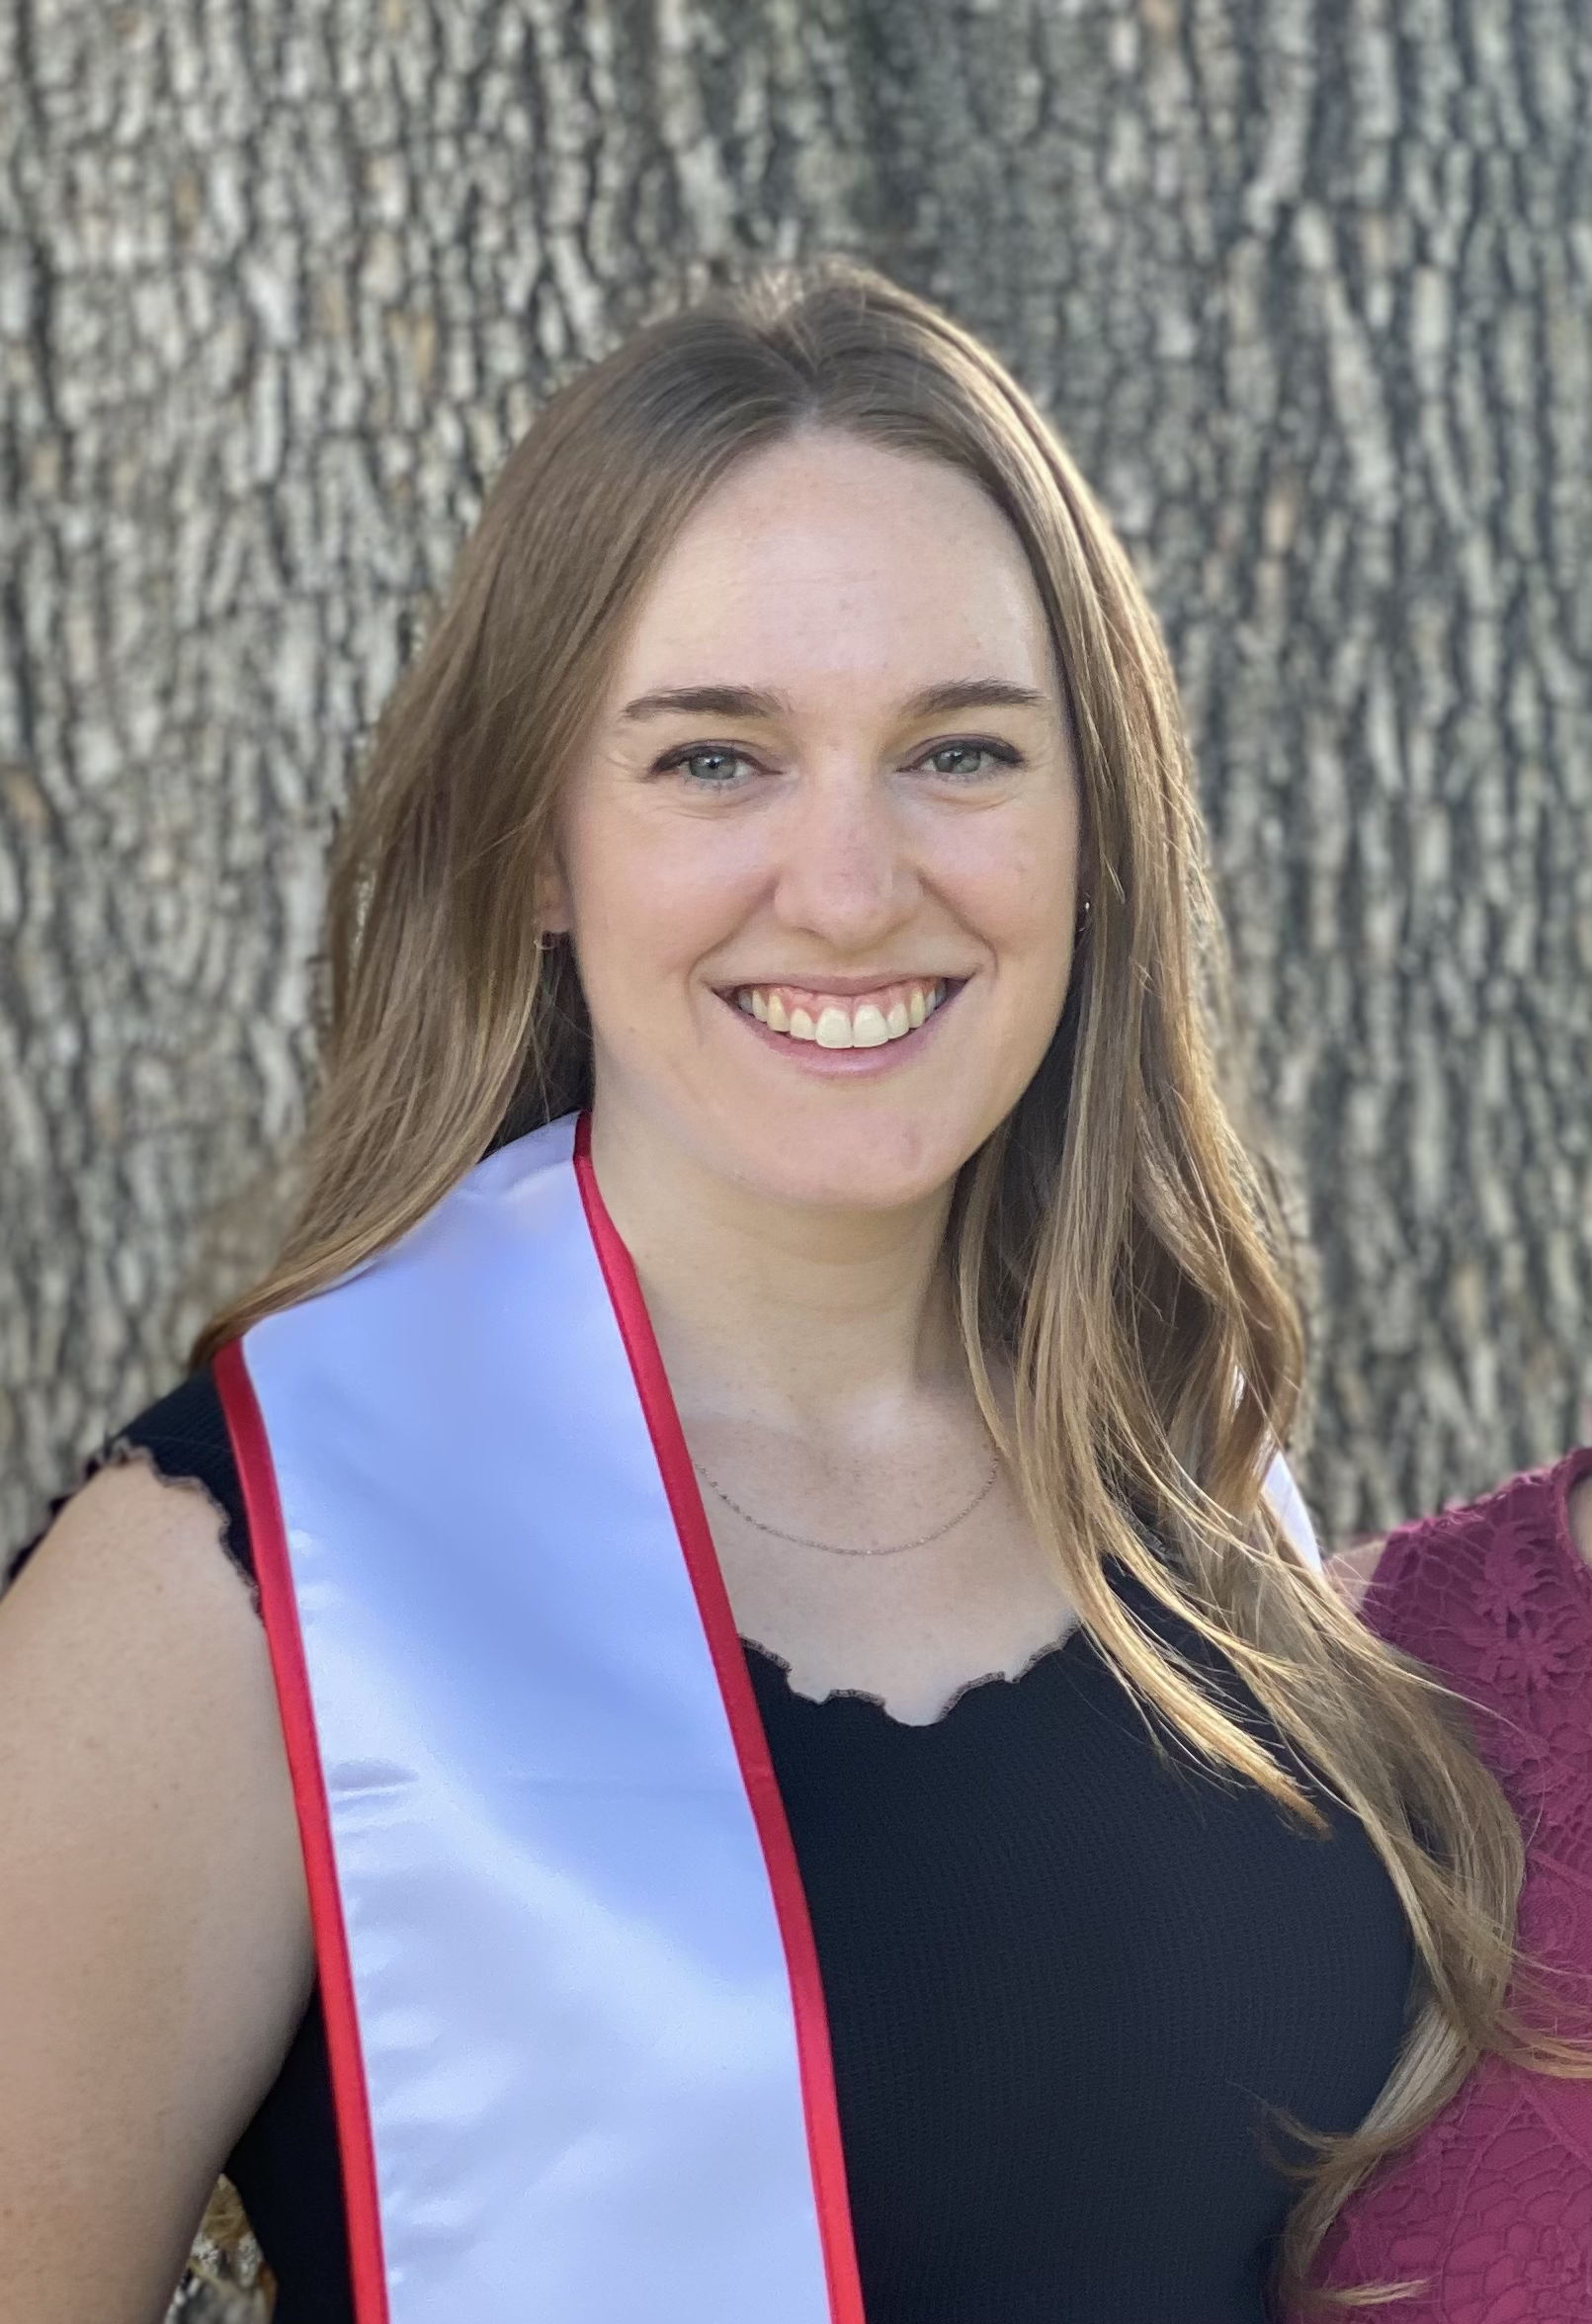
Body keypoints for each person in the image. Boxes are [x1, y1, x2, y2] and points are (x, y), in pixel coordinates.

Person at [1, 260, 1587, 2324]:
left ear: (1094, 826)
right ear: (538, 845)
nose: (848, 887)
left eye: (961, 752)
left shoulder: (1187, 1472)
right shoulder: (243, 1580)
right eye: (714, 762)